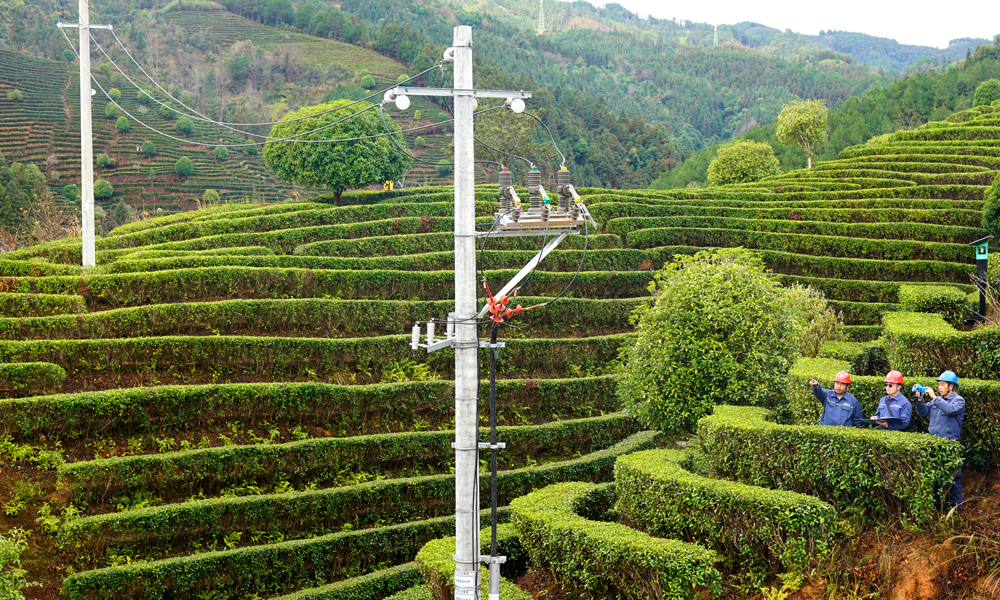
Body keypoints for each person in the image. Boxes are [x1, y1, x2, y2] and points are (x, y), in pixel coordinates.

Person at [914, 370, 965, 509]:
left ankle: (957, 510)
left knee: (954, 478)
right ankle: (938, 507)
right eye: (939, 385)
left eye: (942, 385)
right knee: (936, 478)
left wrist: (935, 397)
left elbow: (949, 410)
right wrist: (920, 399)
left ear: (951, 386)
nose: (939, 387)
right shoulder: (937, 401)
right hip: (935, 444)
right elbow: (923, 412)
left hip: (950, 445)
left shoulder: (959, 401)